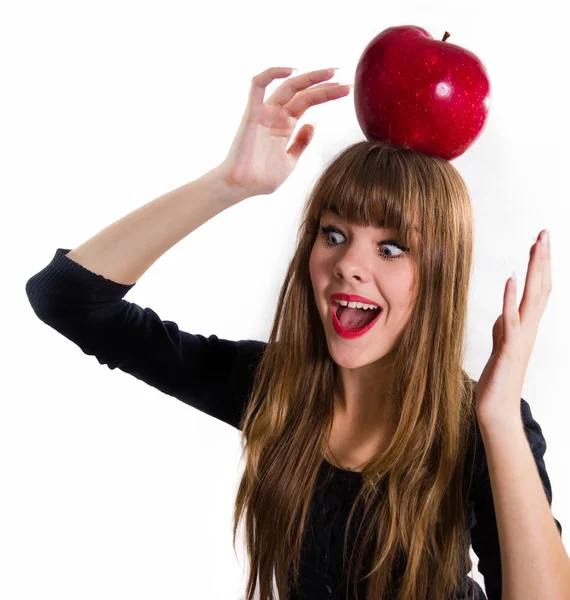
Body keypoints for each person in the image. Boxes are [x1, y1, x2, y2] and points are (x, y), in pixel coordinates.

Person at [25, 66, 562, 600]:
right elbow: (68, 299)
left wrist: (498, 421)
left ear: (440, 275)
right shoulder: (274, 388)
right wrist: (228, 184)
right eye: (333, 234)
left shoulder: (481, 428)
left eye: (392, 247)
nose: (348, 264)